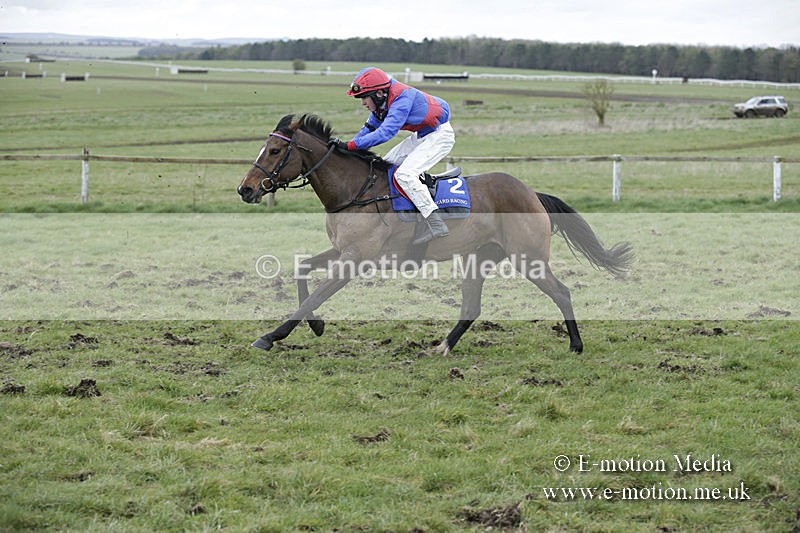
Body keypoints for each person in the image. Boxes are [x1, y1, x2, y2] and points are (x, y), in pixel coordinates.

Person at [333, 67, 455, 245]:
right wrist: (346, 147)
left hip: (440, 136)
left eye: (364, 98)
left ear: (379, 93)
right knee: (385, 165)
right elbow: (368, 130)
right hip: (422, 135)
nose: (363, 103)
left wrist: (350, 145)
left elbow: (385, 133)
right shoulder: (381, 103)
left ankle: (436, 223)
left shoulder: (401, 98)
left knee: (404, 174)